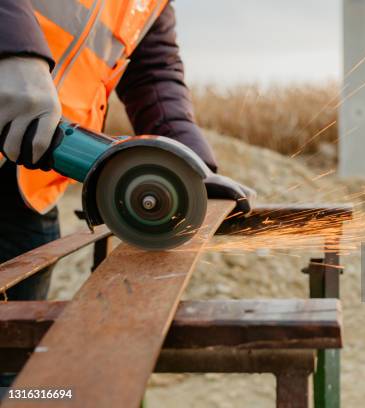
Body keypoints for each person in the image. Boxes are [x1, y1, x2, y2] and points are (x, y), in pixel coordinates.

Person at [0, 1, 254, 301]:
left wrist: (193, 164)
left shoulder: (150, 4)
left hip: (31, 187)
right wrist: (13, 48)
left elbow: (154, 75)